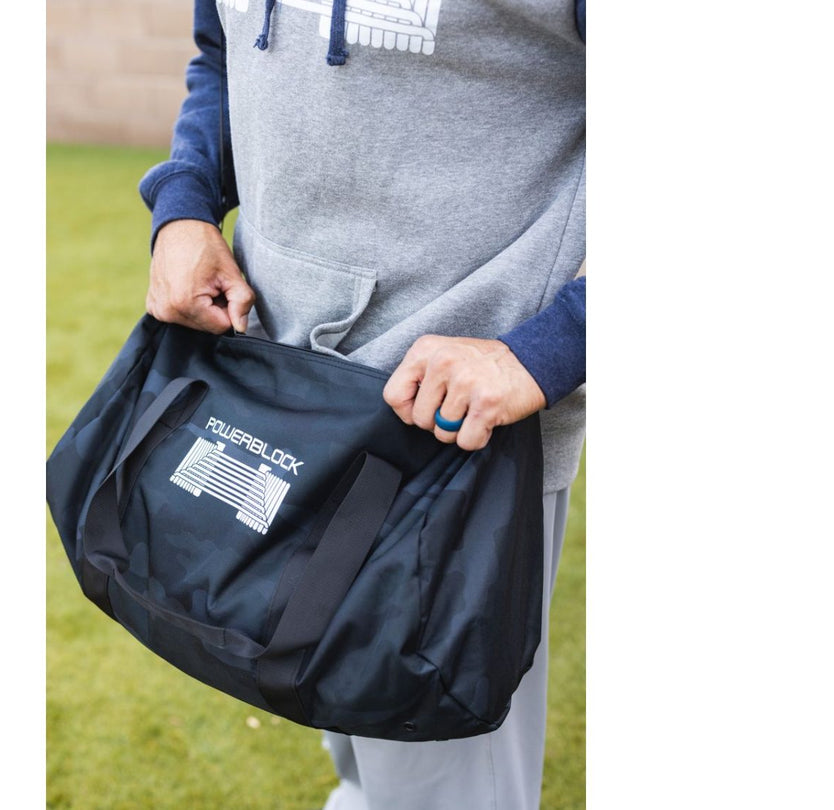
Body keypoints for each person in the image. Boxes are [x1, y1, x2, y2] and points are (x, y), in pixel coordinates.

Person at [138, 0, 585, 807]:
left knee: (440, 778)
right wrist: (187, 204)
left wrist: (553, 346)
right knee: (344, 715)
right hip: (277, 386)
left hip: (455, 442)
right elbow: (223, 53)